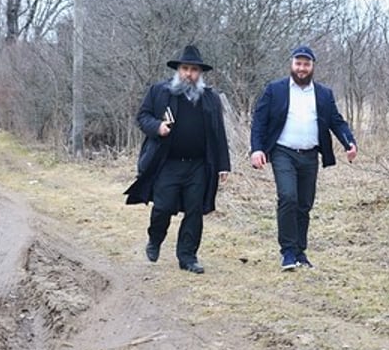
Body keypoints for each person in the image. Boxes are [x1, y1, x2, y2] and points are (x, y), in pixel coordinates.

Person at [125, 44, 231, 274]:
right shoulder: (160, 92)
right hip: (168, 163)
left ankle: (188, 257)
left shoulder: (210, 98)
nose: (189, 74)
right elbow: (142, 116)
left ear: (200, 73)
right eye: (185, 69)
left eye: (193, 70)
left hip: (199, 165)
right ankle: (155, 239)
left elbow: (218, 133)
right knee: (162, 207)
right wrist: (158, 127)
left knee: (194, 211)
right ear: (178, 70)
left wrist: (223, 165)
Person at [249, 44, 357, 271]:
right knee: (288, 197)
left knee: (304, 203)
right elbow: (260, 120)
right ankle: (287, 252)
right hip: (282, 152)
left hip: (310, 155)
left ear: (312, 67)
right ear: (291, 64)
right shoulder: (275, 89)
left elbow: (336, 121)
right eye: (298, 63)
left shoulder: (323, 94)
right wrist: (257, 149)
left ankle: (300, 252)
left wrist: (349, 142)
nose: (301, 68)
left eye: (306, 64)